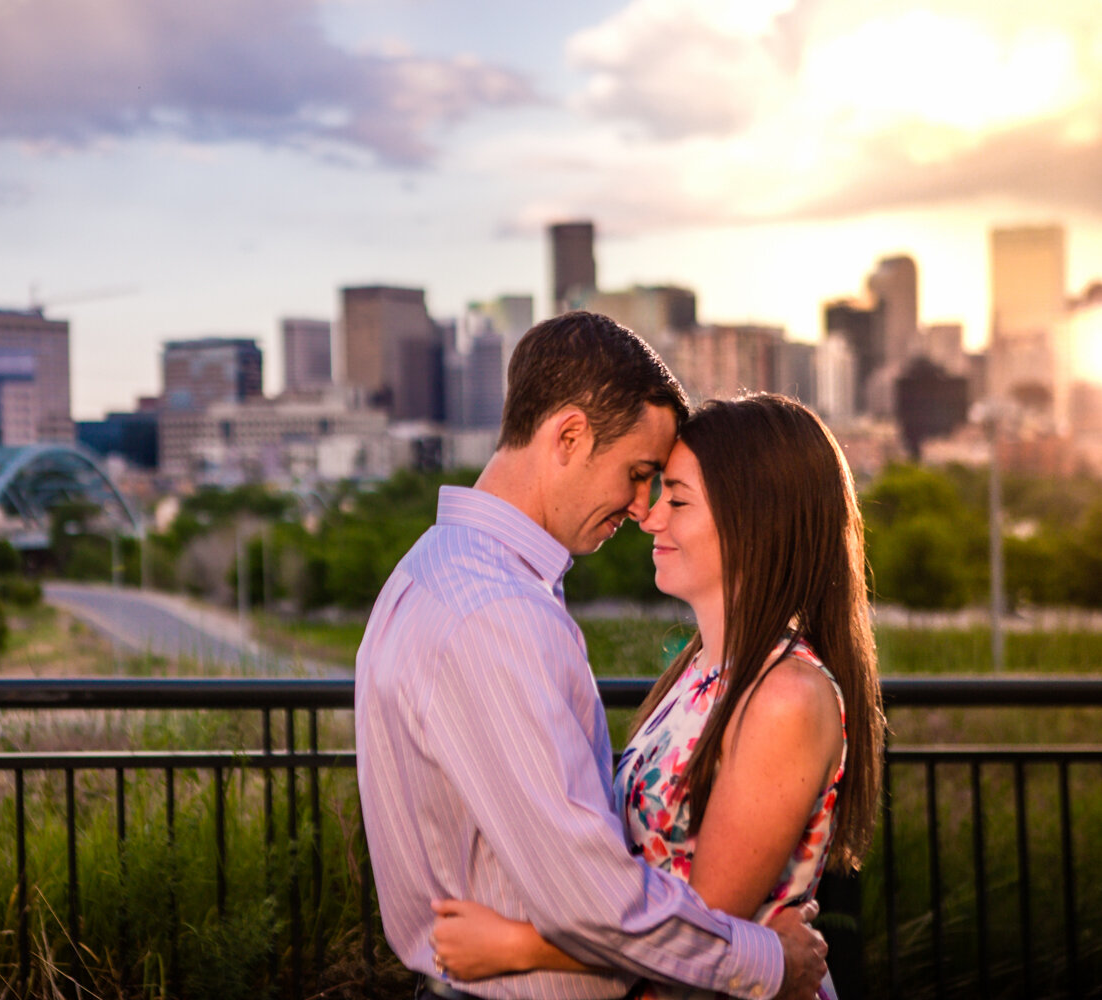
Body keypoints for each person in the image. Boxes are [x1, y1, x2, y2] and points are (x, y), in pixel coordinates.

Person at [355, 312, 829, 1000]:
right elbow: (592, 897)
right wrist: (767, 962)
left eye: (663, 487)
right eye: (639, 474)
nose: (643, 509)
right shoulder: (495, 611)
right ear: (569, 436)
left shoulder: (434, 570)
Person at [428, 394, 884, 1000]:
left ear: (754, 519)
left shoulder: (785, 698)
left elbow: (703, 934)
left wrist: (516, 945)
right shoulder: (702, 670)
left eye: (678, 499)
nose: (648, 516)